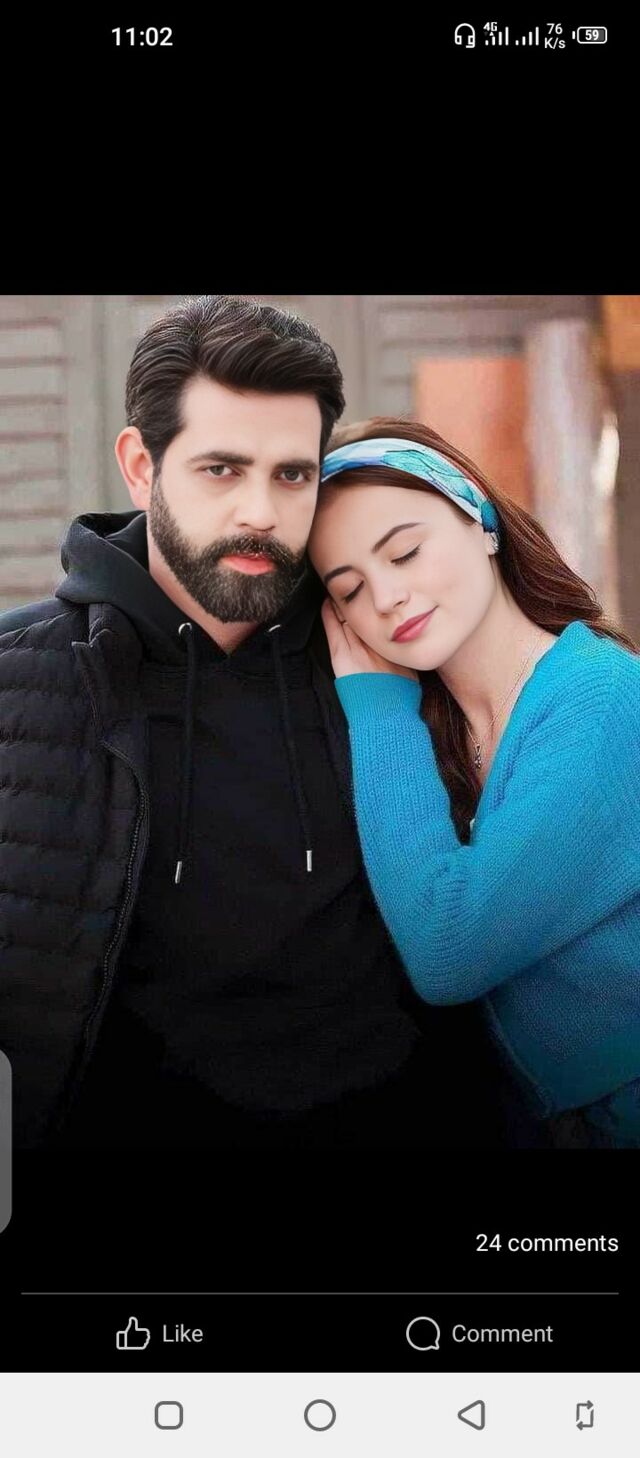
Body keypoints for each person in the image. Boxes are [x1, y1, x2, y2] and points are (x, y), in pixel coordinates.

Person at [0, 299, 505, 1153]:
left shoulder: (391, 658)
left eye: (292, 475)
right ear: (141, 466)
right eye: (221, 469)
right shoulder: (18, 683)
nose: (262, 512)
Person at [308, 415, 640, 1149]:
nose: (386, 597)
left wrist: (377, 708)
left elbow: (447, 950)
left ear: (481, 519)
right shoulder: (438, 736)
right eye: (350, 589)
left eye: (405, 552)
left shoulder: (605, 701)